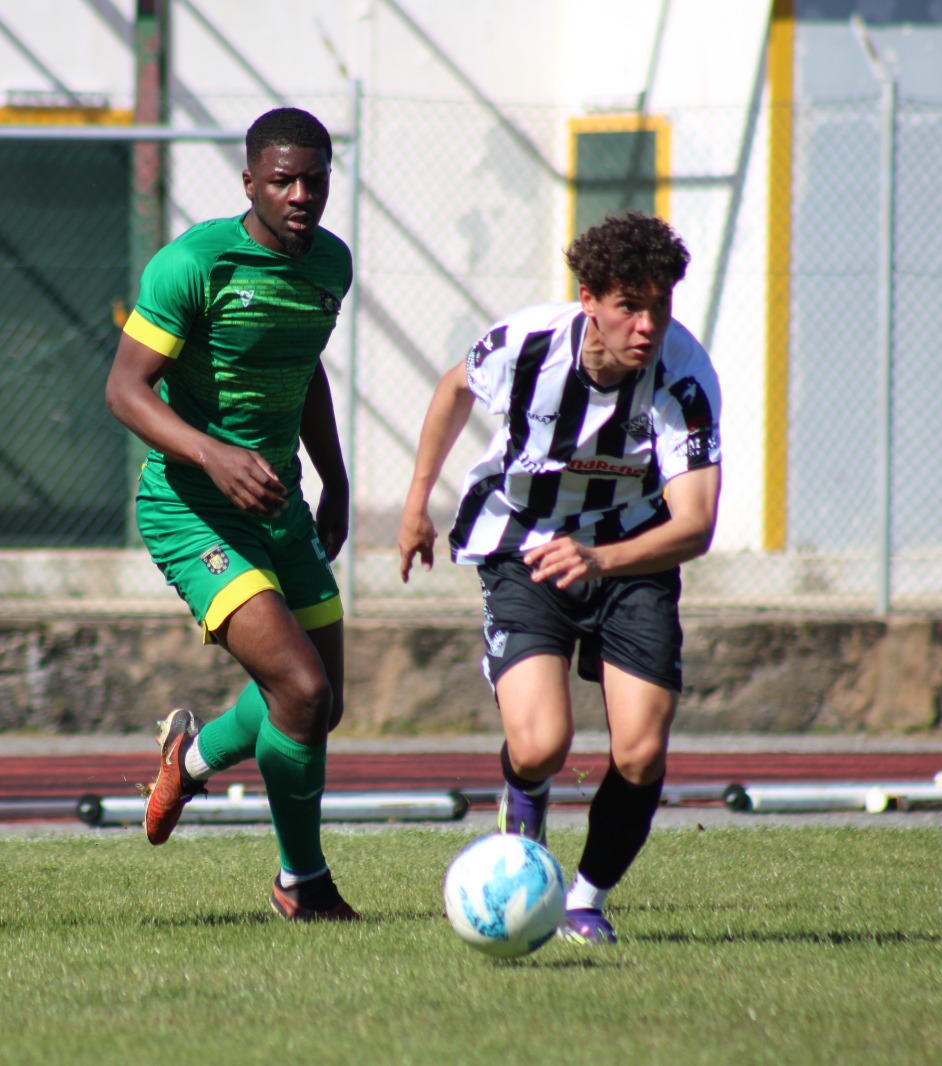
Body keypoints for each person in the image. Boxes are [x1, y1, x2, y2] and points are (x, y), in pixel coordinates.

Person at [398, 211, 721, 945]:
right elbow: (453, 390)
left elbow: (695, 524)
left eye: (659, 306)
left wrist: (601, 558)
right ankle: (525, 829)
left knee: (639, 751)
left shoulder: (685, 379)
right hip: (523, 544)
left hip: (633, 556)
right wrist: (418, 501)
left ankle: (584, 900)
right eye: (628, 306)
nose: (646, 325)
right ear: (589, 302)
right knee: (542, 743)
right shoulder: (524, 344)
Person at [105, 107, 357, 920]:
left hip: (278, 504)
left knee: (319, 704)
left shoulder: (330, 265)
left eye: (313, 180)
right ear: (248, 181)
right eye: (282, 180)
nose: (300, 195)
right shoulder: (194, 263)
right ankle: (302, 883)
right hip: (193, 509)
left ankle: (192, 756)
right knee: (300, 688)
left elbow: (304, 366)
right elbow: (124, 390)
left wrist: (336, 477)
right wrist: (212, 454)